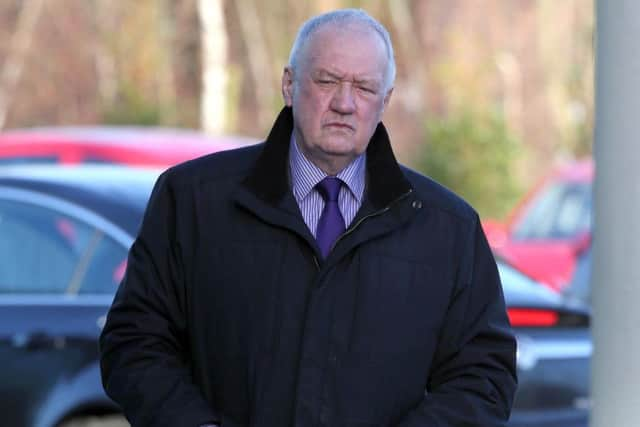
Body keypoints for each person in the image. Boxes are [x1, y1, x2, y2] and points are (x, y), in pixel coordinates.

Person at [99, 8, 517, 427]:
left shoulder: (446, 228)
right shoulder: (192, 202)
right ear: (289, 84)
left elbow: (483, 376)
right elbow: (135, 341)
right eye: (327, 80)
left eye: (364, 87)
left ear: (385, 101)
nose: (345, 103)